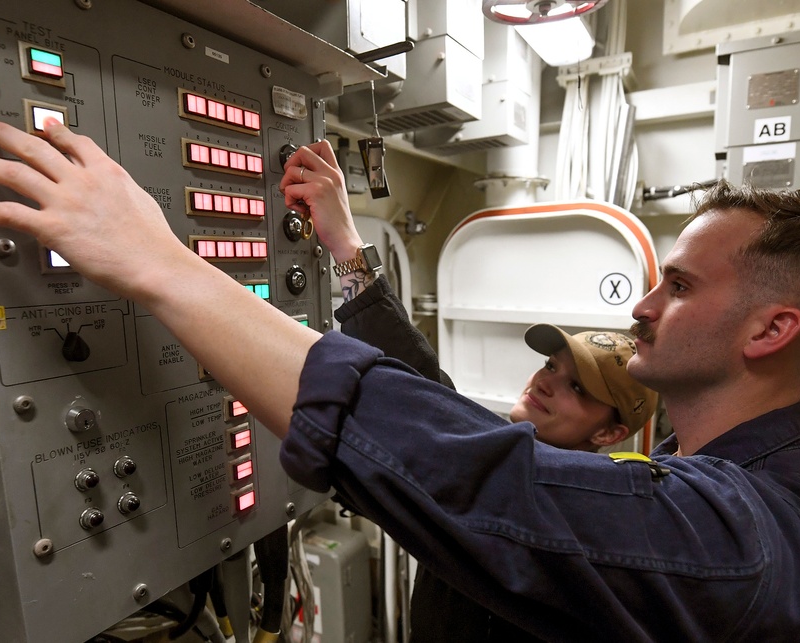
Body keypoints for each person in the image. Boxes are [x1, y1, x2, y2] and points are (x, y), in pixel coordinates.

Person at [0, 117, 800, 641]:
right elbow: (445, 421)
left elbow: (476, 472)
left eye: (678, 286)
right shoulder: (752, 484)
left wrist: (158, 263)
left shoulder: (741, 533)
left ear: (774, 327)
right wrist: (350, 255)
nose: (641, 306)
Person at [281, 141, 659, 641]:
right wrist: (347, 246)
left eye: (577, 388)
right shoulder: (494, 456)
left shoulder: (580, 512)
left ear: (610, 432)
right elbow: (421, 379)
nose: (545, 380)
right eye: (551, 364)